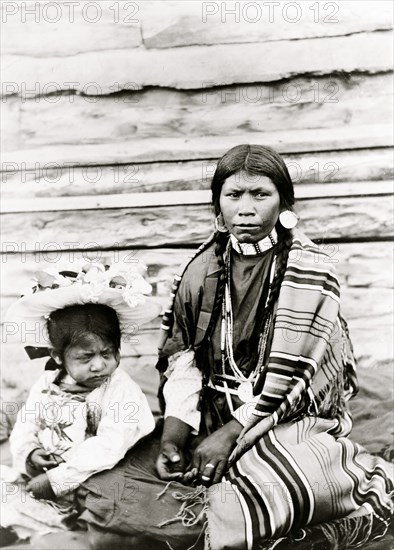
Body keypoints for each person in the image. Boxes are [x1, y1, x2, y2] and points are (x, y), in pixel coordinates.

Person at [79, 145, 393, 550]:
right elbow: (183, 359)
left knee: (302, 480)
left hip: (289, 416)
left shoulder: (310, 274)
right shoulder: (199, 270)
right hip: (212, 414)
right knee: (113, 483)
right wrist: (175, 436)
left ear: (285, 203)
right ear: (218, 206)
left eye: (260, 194)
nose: (246, 208)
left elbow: (299, 380)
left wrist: (233, 432)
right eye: (234, 195)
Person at [1, 263, 160, 543]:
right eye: (86, 358)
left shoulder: (121, 390)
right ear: (59, 356)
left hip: (103, 470)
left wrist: (57, 480)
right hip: (51, 471)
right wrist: (30, 452)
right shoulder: (48, 382)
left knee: (111, 507)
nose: (99, 365)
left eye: (107, 353)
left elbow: (109, 446)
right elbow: (26, 424)